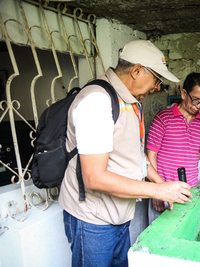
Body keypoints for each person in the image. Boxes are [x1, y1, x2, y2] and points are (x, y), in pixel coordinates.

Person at [58, 40, 192, 267]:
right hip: (93, 220)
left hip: (119, 215)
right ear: (137, 70)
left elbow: (136, 156)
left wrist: (162, 186)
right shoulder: (97, 101)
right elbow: (94, 177)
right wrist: (157, 190)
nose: (158, 87)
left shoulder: (131, 102)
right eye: (157, 79)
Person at [146, 72, 200, 218]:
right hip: (164, 191)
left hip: (190, 191)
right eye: (195, 100)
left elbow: (199, 153)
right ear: (184, 94)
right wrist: (157, 191)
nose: (198, 106)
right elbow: (151, 155)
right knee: (159, 236)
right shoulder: (163, 118)